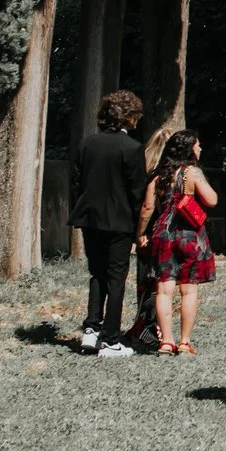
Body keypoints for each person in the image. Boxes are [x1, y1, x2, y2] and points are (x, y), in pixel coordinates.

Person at [69, 90, 149, 357]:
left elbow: (76, 183)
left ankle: (91, 330)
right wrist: (141, 228)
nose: (137, 121)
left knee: (97, 274)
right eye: (135, 116)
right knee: (116, 278)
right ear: (128, 117)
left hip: (90, 218)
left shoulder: (86, 144)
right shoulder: (133, 148)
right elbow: (137, 191)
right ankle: (110, 339)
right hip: (120, 222)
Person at [137, 130, 218, 356]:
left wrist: (140, 233)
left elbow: (147, 208)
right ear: (189, 148)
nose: (200, 149)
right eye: (198, 145)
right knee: (188, 290)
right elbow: (212, 200)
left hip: (163, 235)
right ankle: (184, 342)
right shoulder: (192, 173)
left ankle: (166, 342)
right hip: (189, 235)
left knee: (164, 290)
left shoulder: (157, 176)